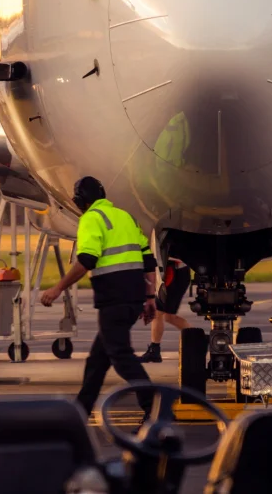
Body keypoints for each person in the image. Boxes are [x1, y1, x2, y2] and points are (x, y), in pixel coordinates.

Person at [40, 176, 158, 419]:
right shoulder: (124, 217)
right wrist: (150, 298)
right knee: (97, 360)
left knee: (121, 356)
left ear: (80, 201)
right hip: (133, 297)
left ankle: (154, 408)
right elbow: (148, 259)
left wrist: (57, 288)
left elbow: (86, 261)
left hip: (114, 299)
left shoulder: (92, 219)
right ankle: (81, 411)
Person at [138, 257, 193, 363]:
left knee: (158, 312)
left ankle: (155, 350)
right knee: (169, 316)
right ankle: (199, 339)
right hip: (176, 270)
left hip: (172, 271)